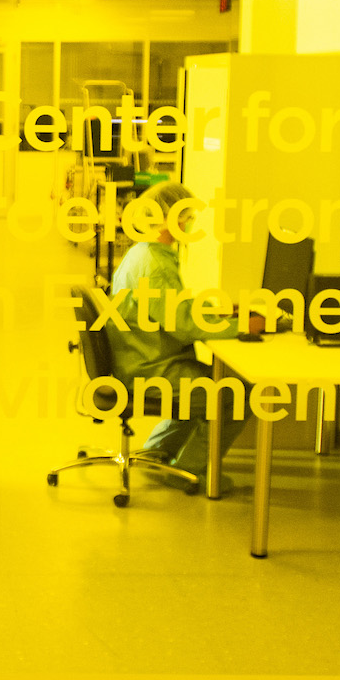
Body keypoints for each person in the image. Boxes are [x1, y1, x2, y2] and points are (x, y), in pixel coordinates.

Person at [108, 181, 245, 495]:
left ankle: (157, 454)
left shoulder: (144, 254)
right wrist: (244, 327)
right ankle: (188, 470)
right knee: (233, 395)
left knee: (205, 387)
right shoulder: (154, 264)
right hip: (150, 370)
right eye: (187, 216)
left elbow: (174, 310)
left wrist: (216, 310)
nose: (189, 224)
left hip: (141, 360)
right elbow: (182, 326)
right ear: (173, 219)